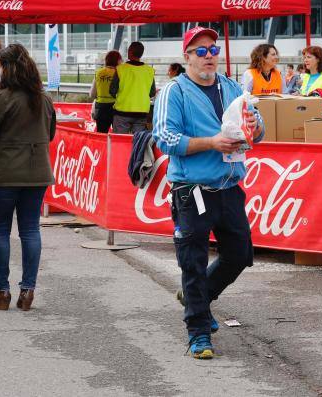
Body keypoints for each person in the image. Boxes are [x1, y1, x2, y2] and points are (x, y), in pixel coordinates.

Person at [153, 26, 264, 360]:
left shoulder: (231, 87)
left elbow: (257, 131)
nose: (209, 56)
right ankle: (198, 332)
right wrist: (211, 143)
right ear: (187, 56)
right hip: (192, 190)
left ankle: (197, 298)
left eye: (212, 50)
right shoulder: (175, 91)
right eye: (200, 51)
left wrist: (254, 128)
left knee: (240, 253)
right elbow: (165, 138)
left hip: (230, 186)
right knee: (193, 263)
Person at [0, 44, 56, 312]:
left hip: (5, 172)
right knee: (30, 230)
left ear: (7, 68)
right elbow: (51, 134)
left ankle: (2, 292)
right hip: (38, 172)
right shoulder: (44, 98)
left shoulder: (4, 97)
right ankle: (28, 289)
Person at [110, 41, 156, 134]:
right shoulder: (149, 71)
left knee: (120, 142)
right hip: (142, 113)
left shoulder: (120, 69)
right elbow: (152, 93)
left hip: (122, 112)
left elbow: (112, 90)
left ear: (130, 51)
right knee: (138, 143)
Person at [89, 50, 122, 133]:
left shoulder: (99, 73)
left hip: (101, 108)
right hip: (116, 108)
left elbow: (92, 94)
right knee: (117, 136)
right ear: (118, 60)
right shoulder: (120, 73)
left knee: (101, 135)